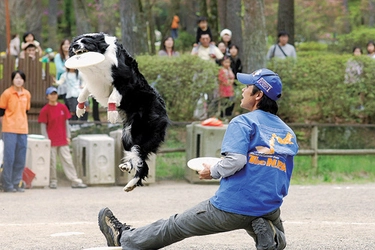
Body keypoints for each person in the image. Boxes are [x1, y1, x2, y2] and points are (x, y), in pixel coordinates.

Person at [97, 68, 299, 250]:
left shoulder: (243, 122)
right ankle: (272, 236)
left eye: (248, 87)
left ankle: (124, 238)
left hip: (234, 205)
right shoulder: (287, 131)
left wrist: (212, 171)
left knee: (176, 225)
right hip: (269, 205)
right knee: (276, 240)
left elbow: (236, 161)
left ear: (258, 95)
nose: (243, 90)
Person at [38, 87, 87, 189]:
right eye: (51, 94)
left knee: (68, 160)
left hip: (63, 139)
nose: (53, 96)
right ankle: (53, 181)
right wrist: (46, 140)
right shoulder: (45, 110)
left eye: (55, 94)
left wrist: (68, 136)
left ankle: (74, 180)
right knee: (52, 162)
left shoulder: (62, 107)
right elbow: (43, 126)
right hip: (51, 140)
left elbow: (66, 123)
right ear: (47, 96)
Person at [0, 70, 31, 193]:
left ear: (24, 80)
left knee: (20, 158)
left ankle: (16, 183)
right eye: (16, 78)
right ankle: (7, 185)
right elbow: (1, 112)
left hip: (23, 129)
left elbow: (26, 111)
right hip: (9, 129)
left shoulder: (27, 94)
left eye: (21, 78)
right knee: (9, 158)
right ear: (12, 79)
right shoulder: (7, 93)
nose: (19, 80)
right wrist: (7, 124)